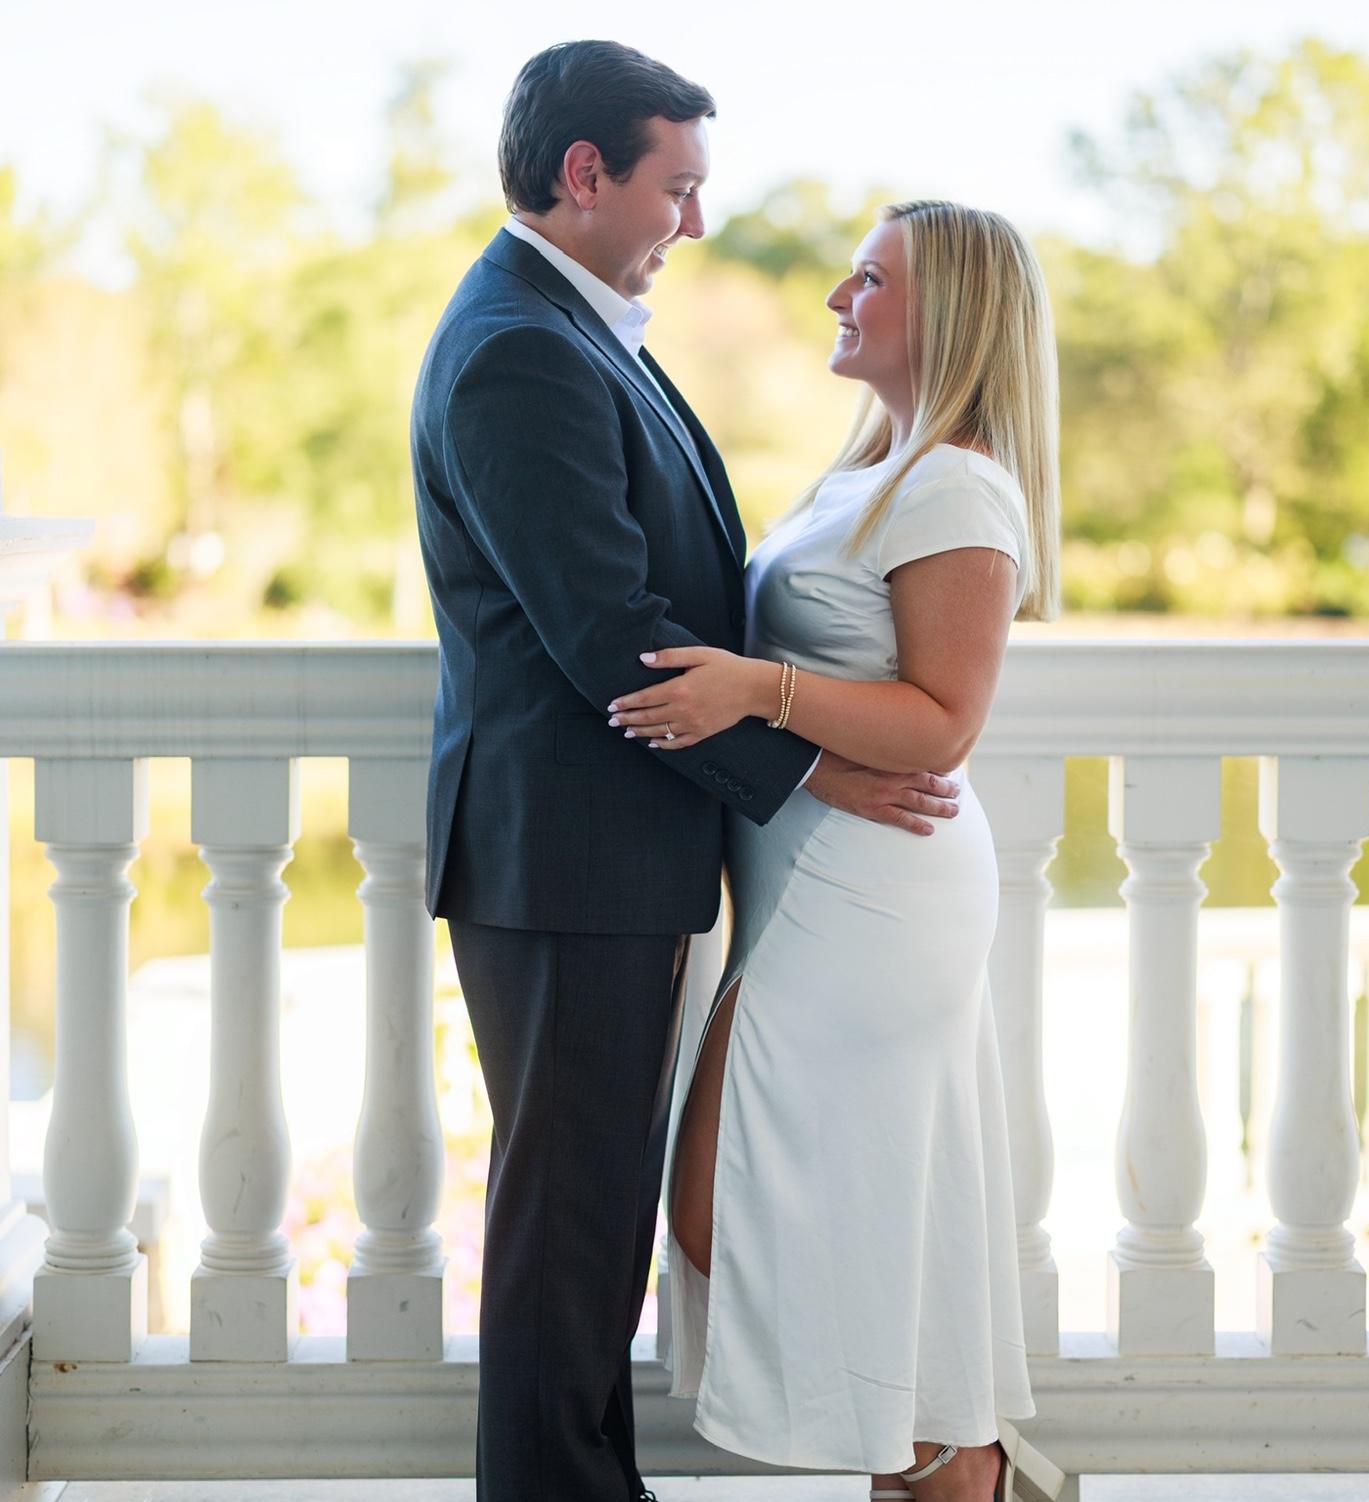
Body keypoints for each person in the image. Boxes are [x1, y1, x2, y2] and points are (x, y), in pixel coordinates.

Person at [410, 40, 967, 1502]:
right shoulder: (521, 345)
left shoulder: (572, 326)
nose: (698, 221)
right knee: (567, 1222)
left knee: (593, 1216)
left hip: (601, 852)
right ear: (585, 173)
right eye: (679, 187)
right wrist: (815, 768)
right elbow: (610, 631)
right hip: (566, 857)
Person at [604, 200, 1066, 1502]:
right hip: (807, 873)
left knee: (724, 1205)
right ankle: (932, 1461)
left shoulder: (957, 485)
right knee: (840, 1201)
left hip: (874, 891)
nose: (836, 297)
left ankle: (949, 1460)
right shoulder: (877, 467)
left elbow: (944, 722)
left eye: (869, 278)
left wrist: (756, 691)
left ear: (949, 312)